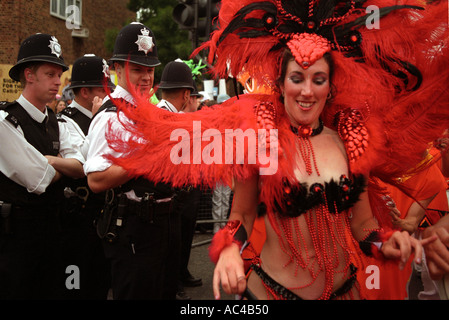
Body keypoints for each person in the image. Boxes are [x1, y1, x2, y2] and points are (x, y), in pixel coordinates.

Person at [102, 0, 449, 300]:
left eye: (318, 79)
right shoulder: (261, 135)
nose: (307, 92)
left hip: (347, 290)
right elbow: (241, 217)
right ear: (281, 84)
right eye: (297, 78)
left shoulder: (350, 137)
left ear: (331, 85)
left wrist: (385, 244)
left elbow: (364, 225)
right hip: (270, 292)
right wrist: (228, 252)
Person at [84, 22, 180, 300]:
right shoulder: (111, 115)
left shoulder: (146, 111)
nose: (146, 76)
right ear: (116, 69)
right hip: (133, 230)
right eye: (137, 68)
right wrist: (144, 159)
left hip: (159, 227)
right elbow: (96, 180)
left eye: (149, 69)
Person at [0, 33, 85, 299]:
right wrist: (61, 166)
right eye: (50, 74)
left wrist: (52, 161)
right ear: (29, 75)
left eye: (59, 74)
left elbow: (83, 165)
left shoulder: (58, 121)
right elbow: (40, 179)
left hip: (55, 231)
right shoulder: (5, 120)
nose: (58, 82)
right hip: (17, 239)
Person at [57, 54, 115, 299]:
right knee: (79, 285)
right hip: (79, 218)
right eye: (103, 89)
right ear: (84, 92)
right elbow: (84, 164)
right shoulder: (65, 121)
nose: (109, 94)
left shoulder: (105, 115)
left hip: (105, 216)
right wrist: (97, 121)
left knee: (101, 283)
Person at [157, 61, 203, 300]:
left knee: (180, 240)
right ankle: (171, 282)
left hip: (181, 191)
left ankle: (177, 276)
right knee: (170, 244)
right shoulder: (165, 119)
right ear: (187, 94)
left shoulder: (170, 117)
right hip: (169, 195)